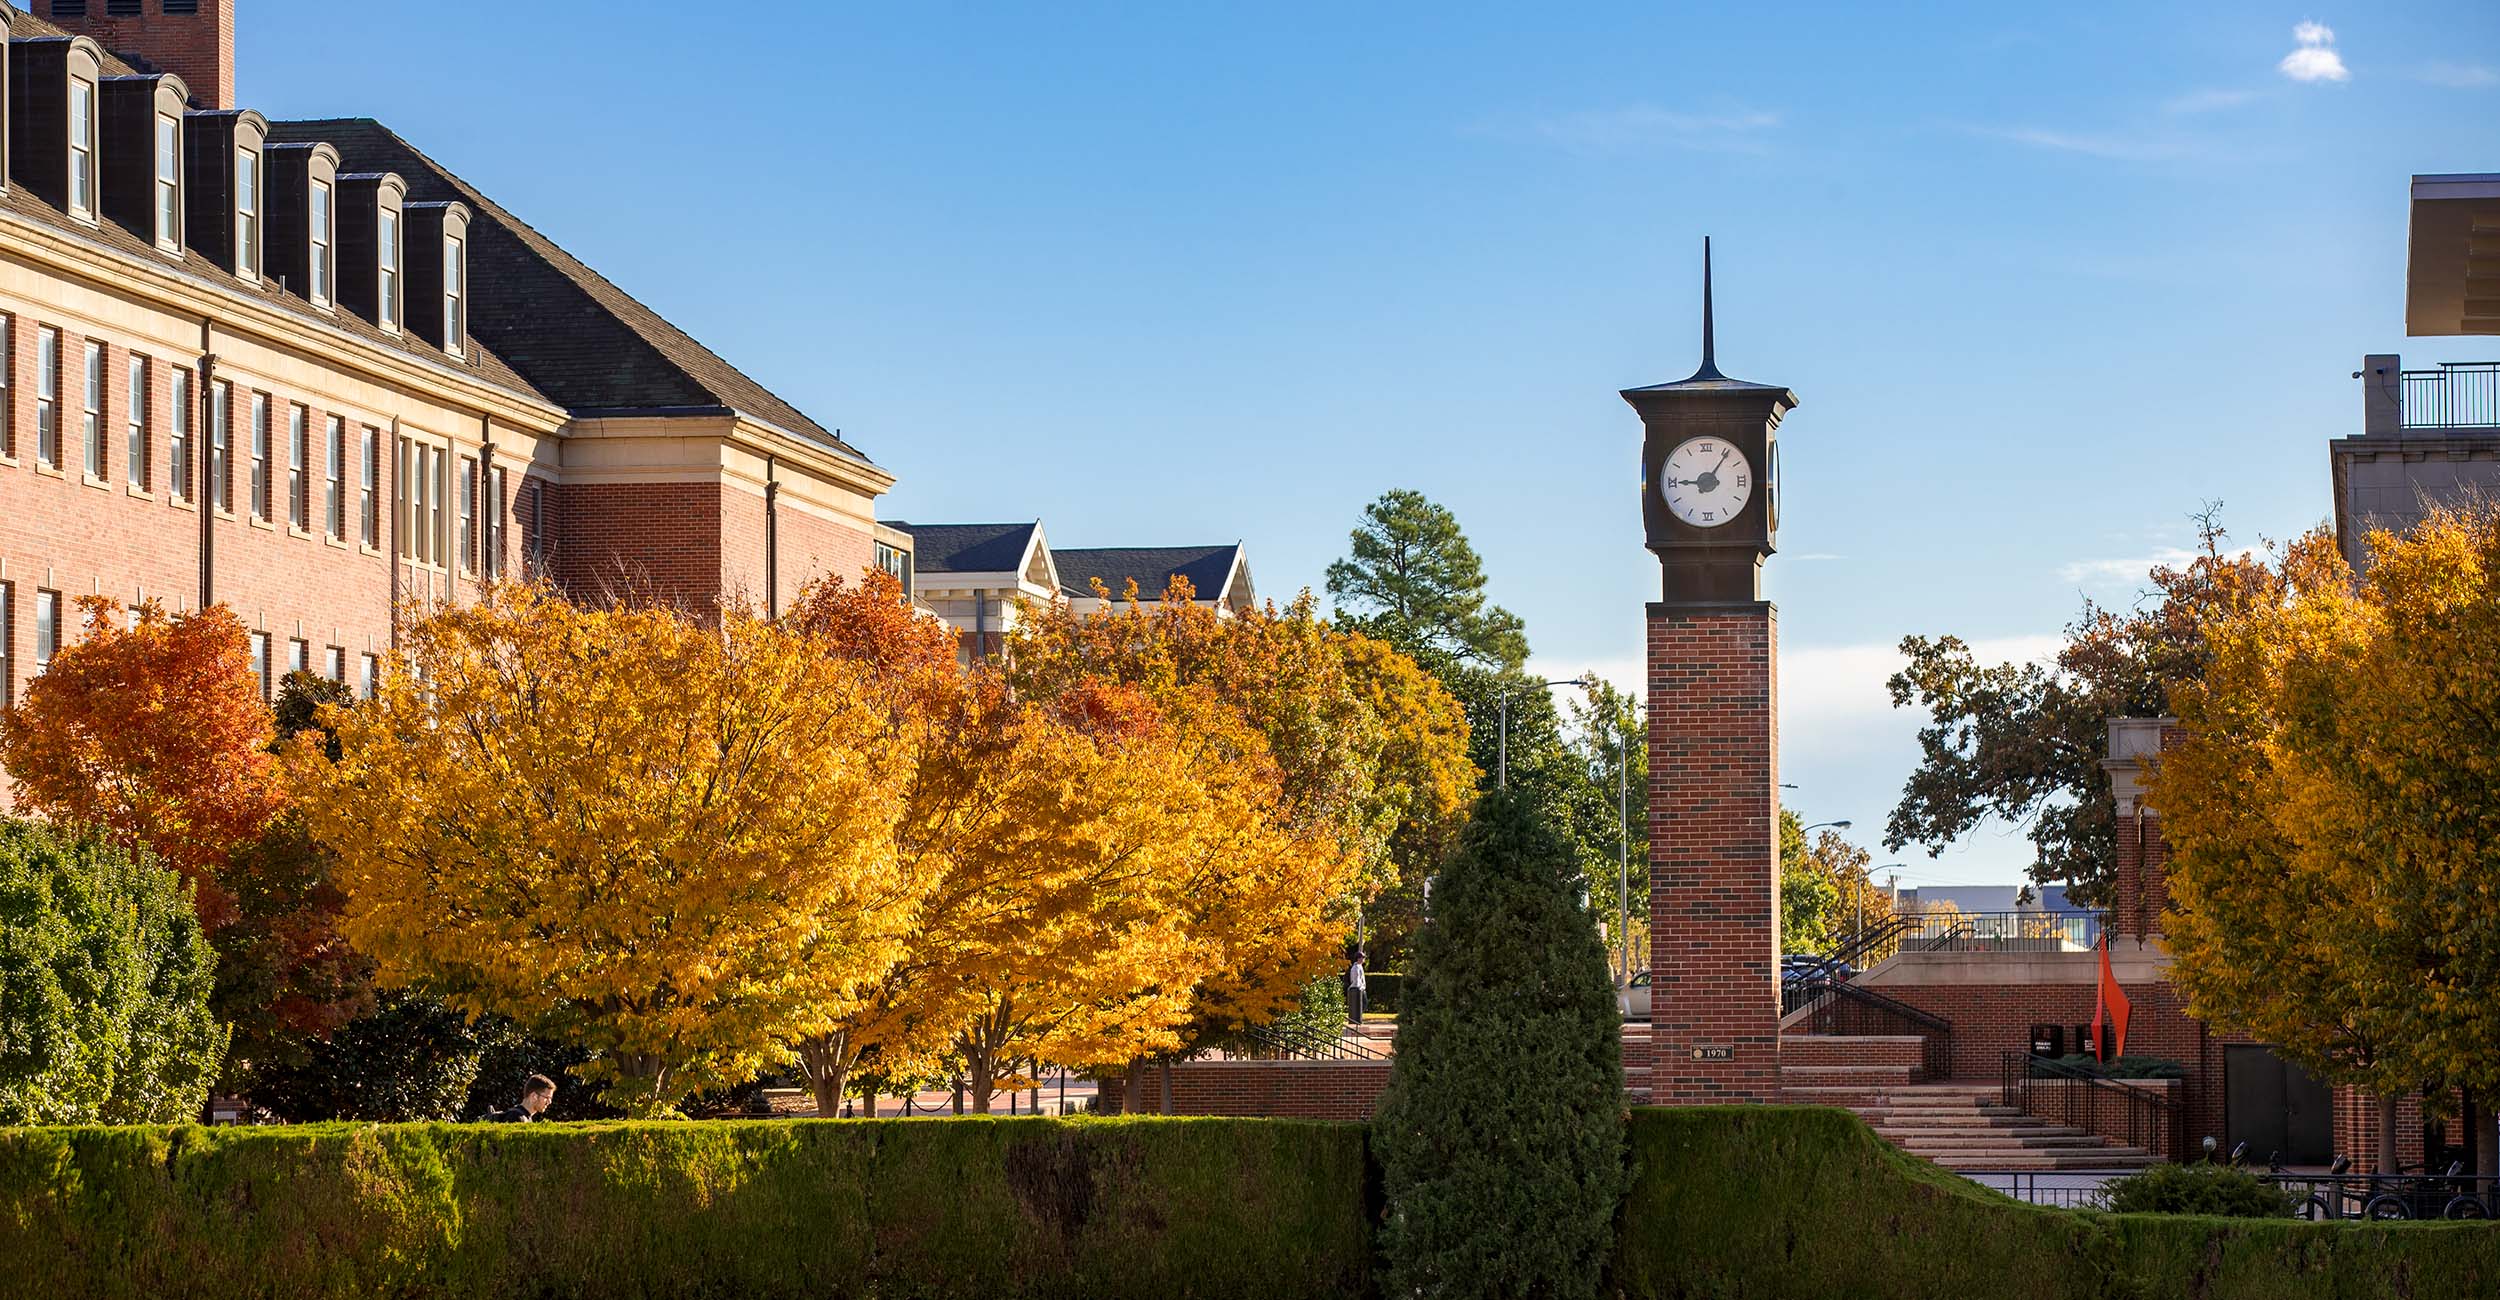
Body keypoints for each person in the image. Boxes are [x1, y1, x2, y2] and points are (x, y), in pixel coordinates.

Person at [491, 1074, 557, 1122]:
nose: (549, 1102)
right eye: (547, 1097)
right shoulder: (515, 1117)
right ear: (534, 1096)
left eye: (550, 1098)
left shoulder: (524, 1117)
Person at [1346, 949, 1368, 1022]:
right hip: (1358, 988)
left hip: (1361, 988)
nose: (1364, 959)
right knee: (1363, 1003)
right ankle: (1357, 1018)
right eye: (1363, 957)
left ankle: (1359, 1017)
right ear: (1359, 958)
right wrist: (1359, 988)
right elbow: (1356, 979)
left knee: (1364, 1004)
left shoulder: (1360, 966)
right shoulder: (1355, 967)